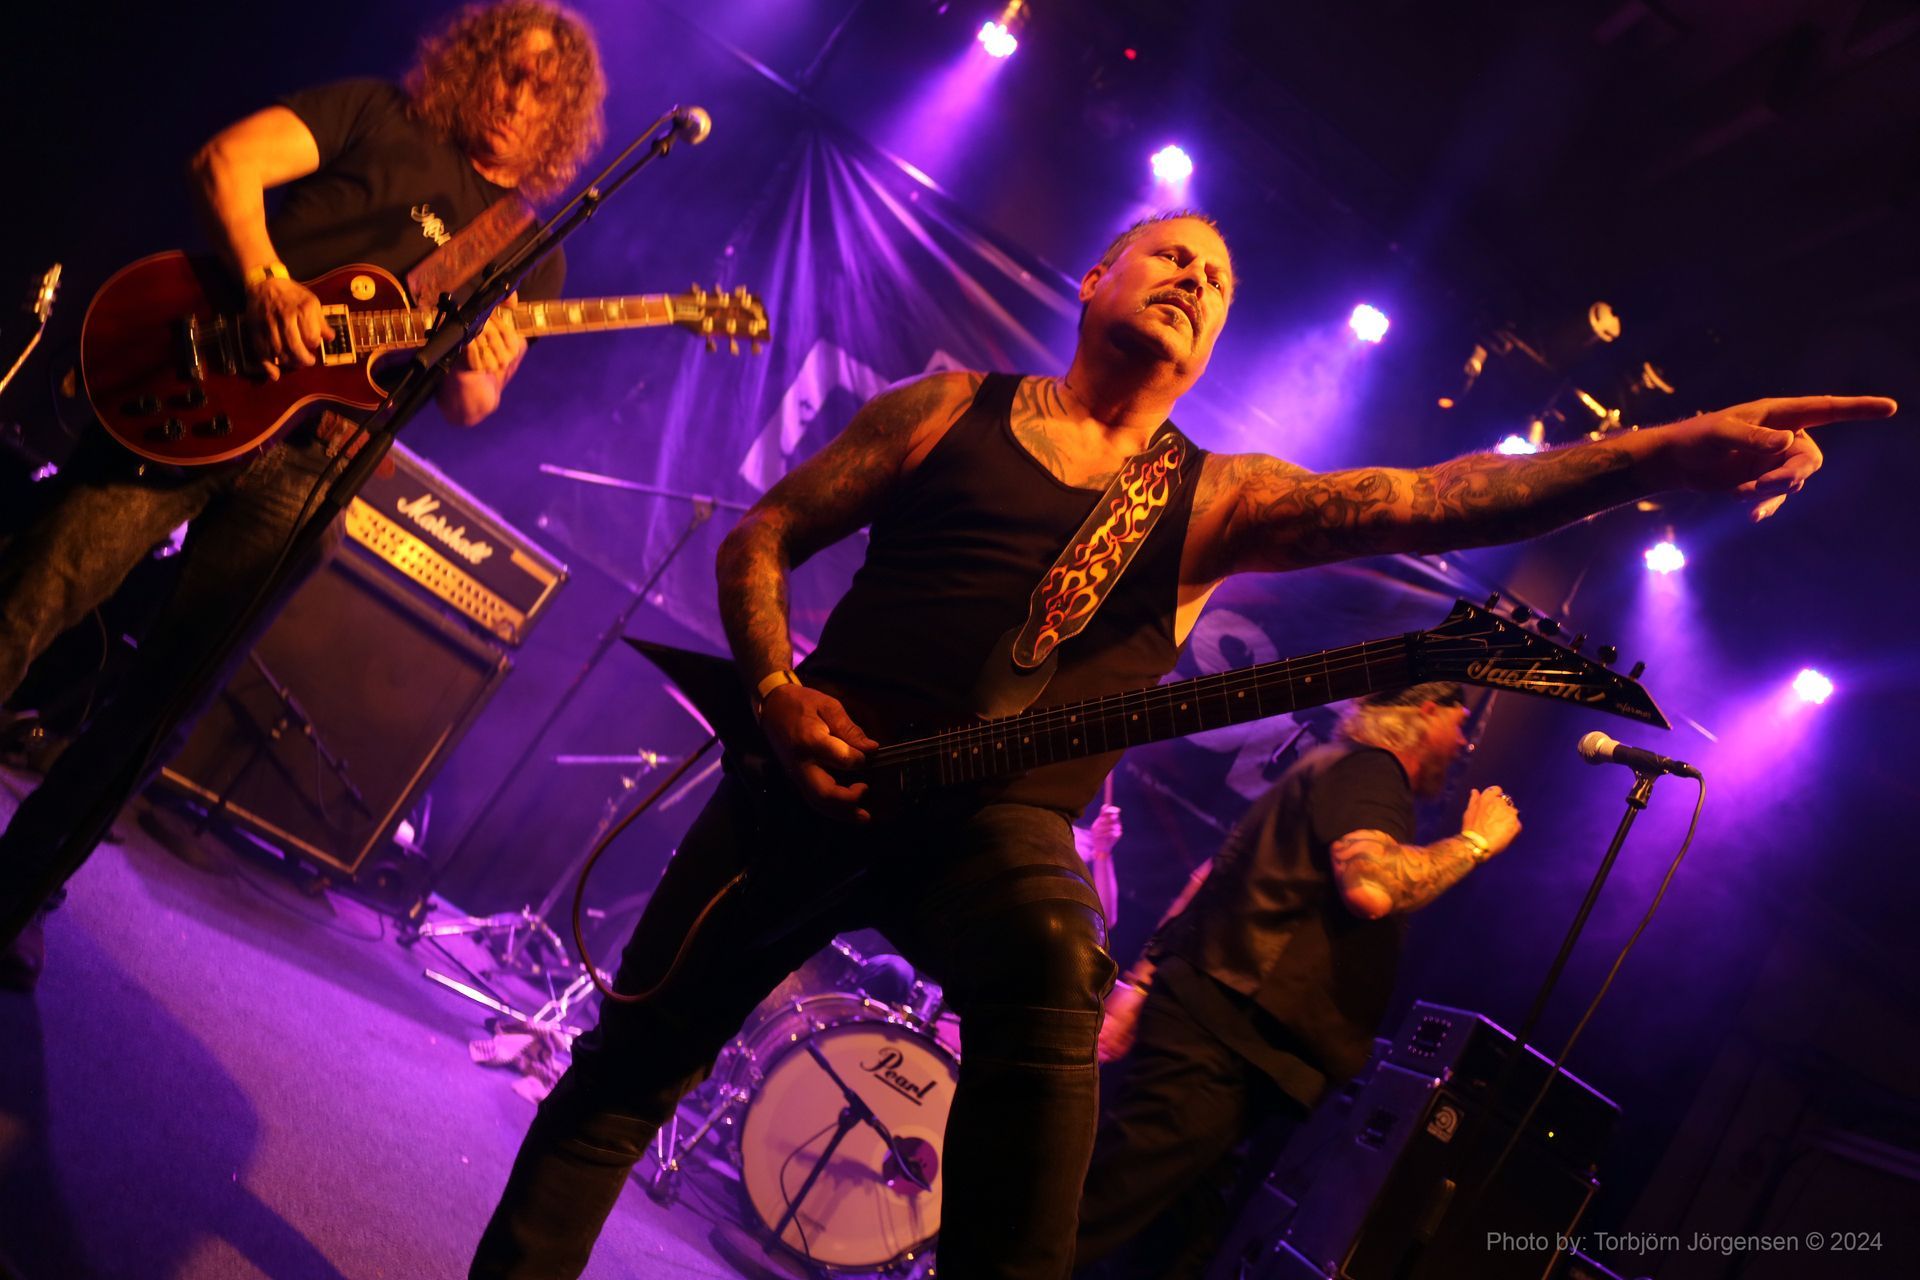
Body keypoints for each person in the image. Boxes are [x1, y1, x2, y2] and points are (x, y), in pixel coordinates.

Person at [469, 207, 1893, 1280]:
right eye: (1171, 255)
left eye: (1216, 281)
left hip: (996, 830)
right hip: (811, 775)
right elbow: (766, 534)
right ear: (1098, 277)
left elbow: (1434, 496)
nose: (1195, 280)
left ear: (1210, 348)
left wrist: (1661, 452)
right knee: (619, 1080)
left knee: (1052, 962)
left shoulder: (1216, 500)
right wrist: (778, 691)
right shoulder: (946, 409)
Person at [0, 0, 606, 988]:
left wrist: (479, 359)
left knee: (162, 704)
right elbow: (225, 162)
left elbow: (473, 403)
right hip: (203, 386)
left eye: (545, 91)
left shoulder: (530, 249)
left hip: (313, 470)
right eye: (510, 70)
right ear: (477, 62)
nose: (517, 98)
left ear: (562, 118)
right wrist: (267, 282)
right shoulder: (377, 115)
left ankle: (19, 891)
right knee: (36, 588)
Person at [1075, 685, 1514, 1278]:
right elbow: (1372, 887)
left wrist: (1141, 985)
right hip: (1225, 1038)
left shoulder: (1331, 768)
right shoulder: (1372, 772)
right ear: (1426, 710)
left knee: (1170, 1248)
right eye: (1460, 724)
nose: (1464, 743)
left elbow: (1212, 876)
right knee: (1100, 1212)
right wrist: (1475, 843)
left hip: (1229, 1039)